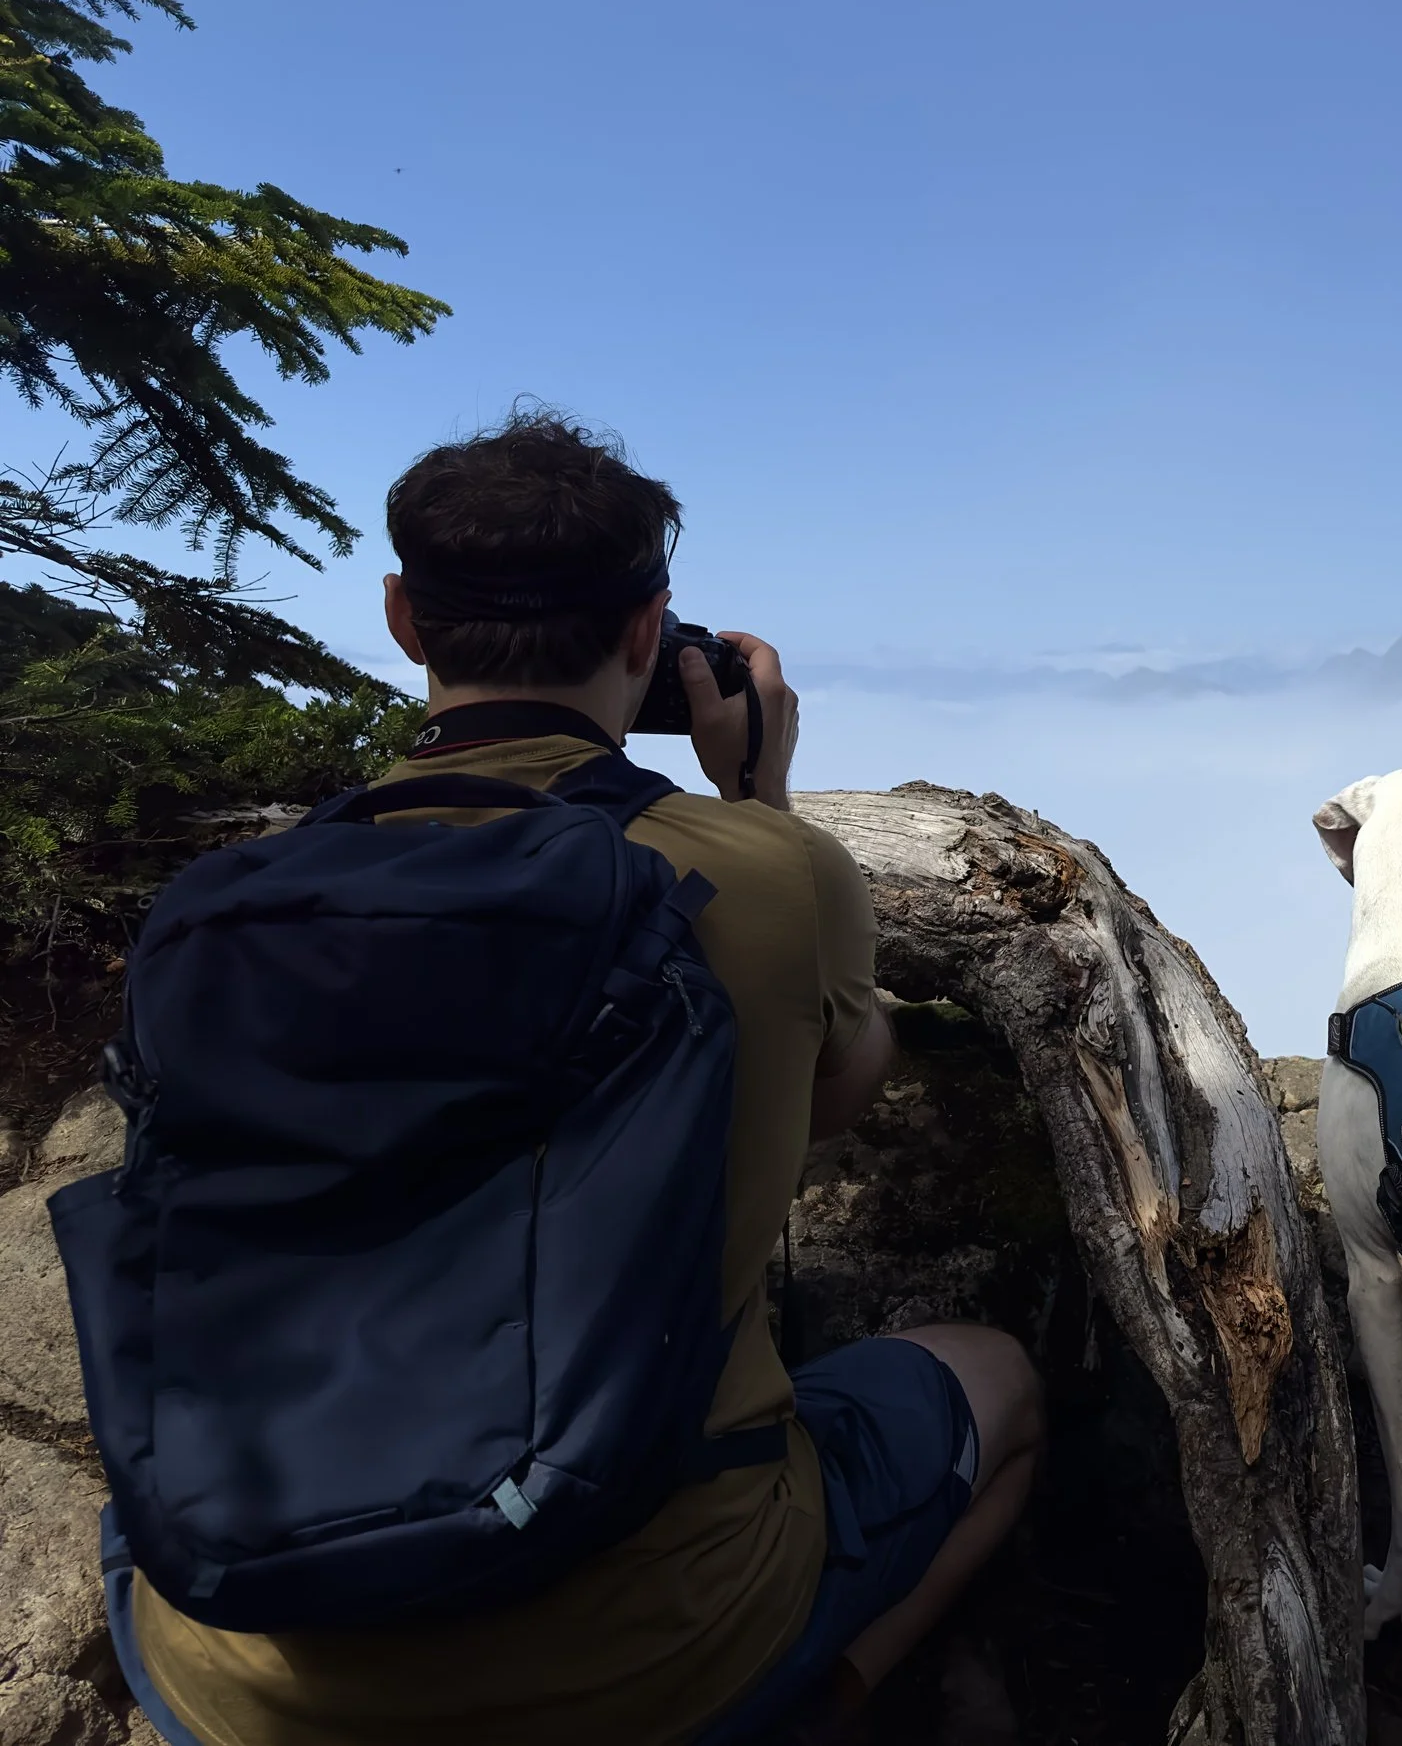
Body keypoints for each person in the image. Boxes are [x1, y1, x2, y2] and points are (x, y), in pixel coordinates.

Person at [124, 414, 1044, 1745]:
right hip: (645, 1649)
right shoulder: (764, 877)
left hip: (244, 1657)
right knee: (997, 1385)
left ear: (402, 618)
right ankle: (810, 1706)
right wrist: (757, 791)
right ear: (646, 633)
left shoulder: (215, 905)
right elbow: (833, 1097)